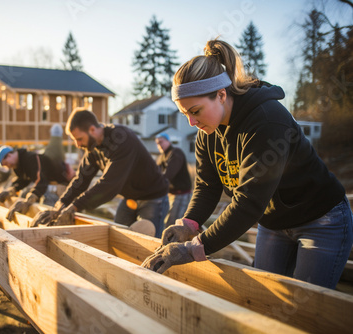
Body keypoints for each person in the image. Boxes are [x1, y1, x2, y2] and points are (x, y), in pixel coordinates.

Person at [142, 39, 353, 289]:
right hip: (273, 222)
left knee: (307, 307)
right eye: (185, 113)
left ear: (221, 95)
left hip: (320, 218)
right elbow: (208, 186)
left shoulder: (267, 121)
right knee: (264, 298)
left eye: (196, 111)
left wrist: (192, 250)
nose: (191, 122)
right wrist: (188, 224)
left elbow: (248, 202)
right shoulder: (207, 134)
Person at [53, 108, 169, 237]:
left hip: (152, 197)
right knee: (118, 239)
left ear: (92, 130)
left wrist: (76, 206)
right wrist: (61, 203)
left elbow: (109, 184)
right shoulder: (93, 149)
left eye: (79, 139)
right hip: (129, 198)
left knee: (150, 243)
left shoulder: (121, 139)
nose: (78, 144)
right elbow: (81, 179)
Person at [0, 145, 69, 220]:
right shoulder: (18, 164)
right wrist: (11, 190)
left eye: (7, 163)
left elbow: (41, 181)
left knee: (46, 198)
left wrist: (28, 201)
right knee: (24, 193)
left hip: (60, 187)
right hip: (48, 186)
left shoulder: (31, 158)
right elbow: (23, 180)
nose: (8, 166)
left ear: (9, 155)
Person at [155, 132, 192, 229]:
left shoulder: (176, 153)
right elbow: (156, 172)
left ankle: (174, 243)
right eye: (157, 143)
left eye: (161, 142)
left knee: (174, 224)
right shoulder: (161, 156)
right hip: (170, 194)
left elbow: (168, 175)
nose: (159, 145)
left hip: (181, 194)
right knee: (166, 222)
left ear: (168, 141)